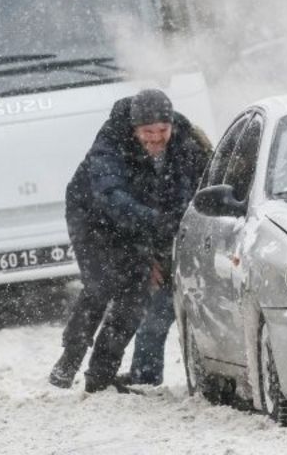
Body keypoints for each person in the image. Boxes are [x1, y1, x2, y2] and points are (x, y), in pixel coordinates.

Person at [49, 89, 211, 392]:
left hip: (140, 219)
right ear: (134, 129)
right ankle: (70, 356)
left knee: (135, 295)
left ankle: (100, 375)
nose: (155, 139)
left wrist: (155, 247)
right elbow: (111, 197)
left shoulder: (184, 142)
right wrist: (154, 226)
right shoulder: (110, 142)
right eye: (147, 132)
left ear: (171, 124)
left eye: (162, 131)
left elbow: (181, 196)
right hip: (94, 217)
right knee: (102, 284)